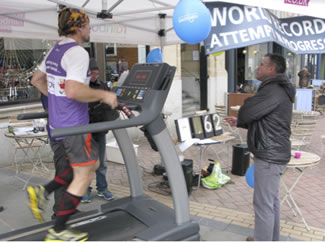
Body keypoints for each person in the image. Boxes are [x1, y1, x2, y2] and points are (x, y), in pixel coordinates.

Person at [28, 7, 117, 241]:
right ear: (79, 27)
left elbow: (36, 80)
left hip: (58, 124)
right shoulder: (78, 53)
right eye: (88, 25)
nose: (90, 29)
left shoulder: (56, 50)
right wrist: (103, 96)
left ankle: (43, 191)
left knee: (85, 166)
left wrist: (56, 100)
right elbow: (74, 90)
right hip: (74, 124)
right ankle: (57, 231)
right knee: (85, 175)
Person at [225, 53, 295, 241]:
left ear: (271, 69)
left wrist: (243, 114)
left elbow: (248, 110)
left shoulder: (272, 90)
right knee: (271, 201)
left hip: (270, 155)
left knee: (263, 205)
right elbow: (266, 120)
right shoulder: (277, 89)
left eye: (262, 64)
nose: (258, 67)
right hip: (275, 152)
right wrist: (240, 121)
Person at [81, 58, 119, 203]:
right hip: (85, 130)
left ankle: (102, 188)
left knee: (101, 162)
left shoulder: (103, 86)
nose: (95, 76)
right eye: (92, 73)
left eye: (97, 73)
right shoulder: (81, 87)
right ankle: (85, 190)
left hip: (100, 130)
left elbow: (112, 102)